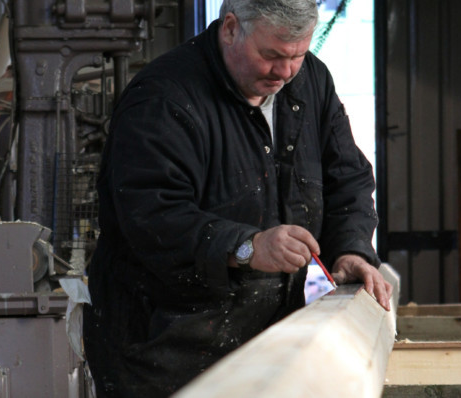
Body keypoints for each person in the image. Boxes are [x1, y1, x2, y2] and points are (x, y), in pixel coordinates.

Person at [83, 0, 393, 396]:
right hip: (163, 350)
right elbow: (152, 216)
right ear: (230, 27)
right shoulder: (162, 99)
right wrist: (246, 246)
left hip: (266, 341)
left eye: (297, 54)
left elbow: (346, 178)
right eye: (271, 55)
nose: (284, 72)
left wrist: (350, 250)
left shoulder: (310, 81)